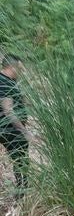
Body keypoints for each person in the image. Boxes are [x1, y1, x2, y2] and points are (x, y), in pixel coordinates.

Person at [0, 54, 29, 196]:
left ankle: (22, 192)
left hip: (11, 129)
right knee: (21, 161)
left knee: (20, 160)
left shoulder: (8, 81)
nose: (21, 72)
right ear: (11, 67)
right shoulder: (3, 82)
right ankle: (22, 194)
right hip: (10, 129)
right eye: (19, 68)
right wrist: (24, 131)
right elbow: (8, 110)